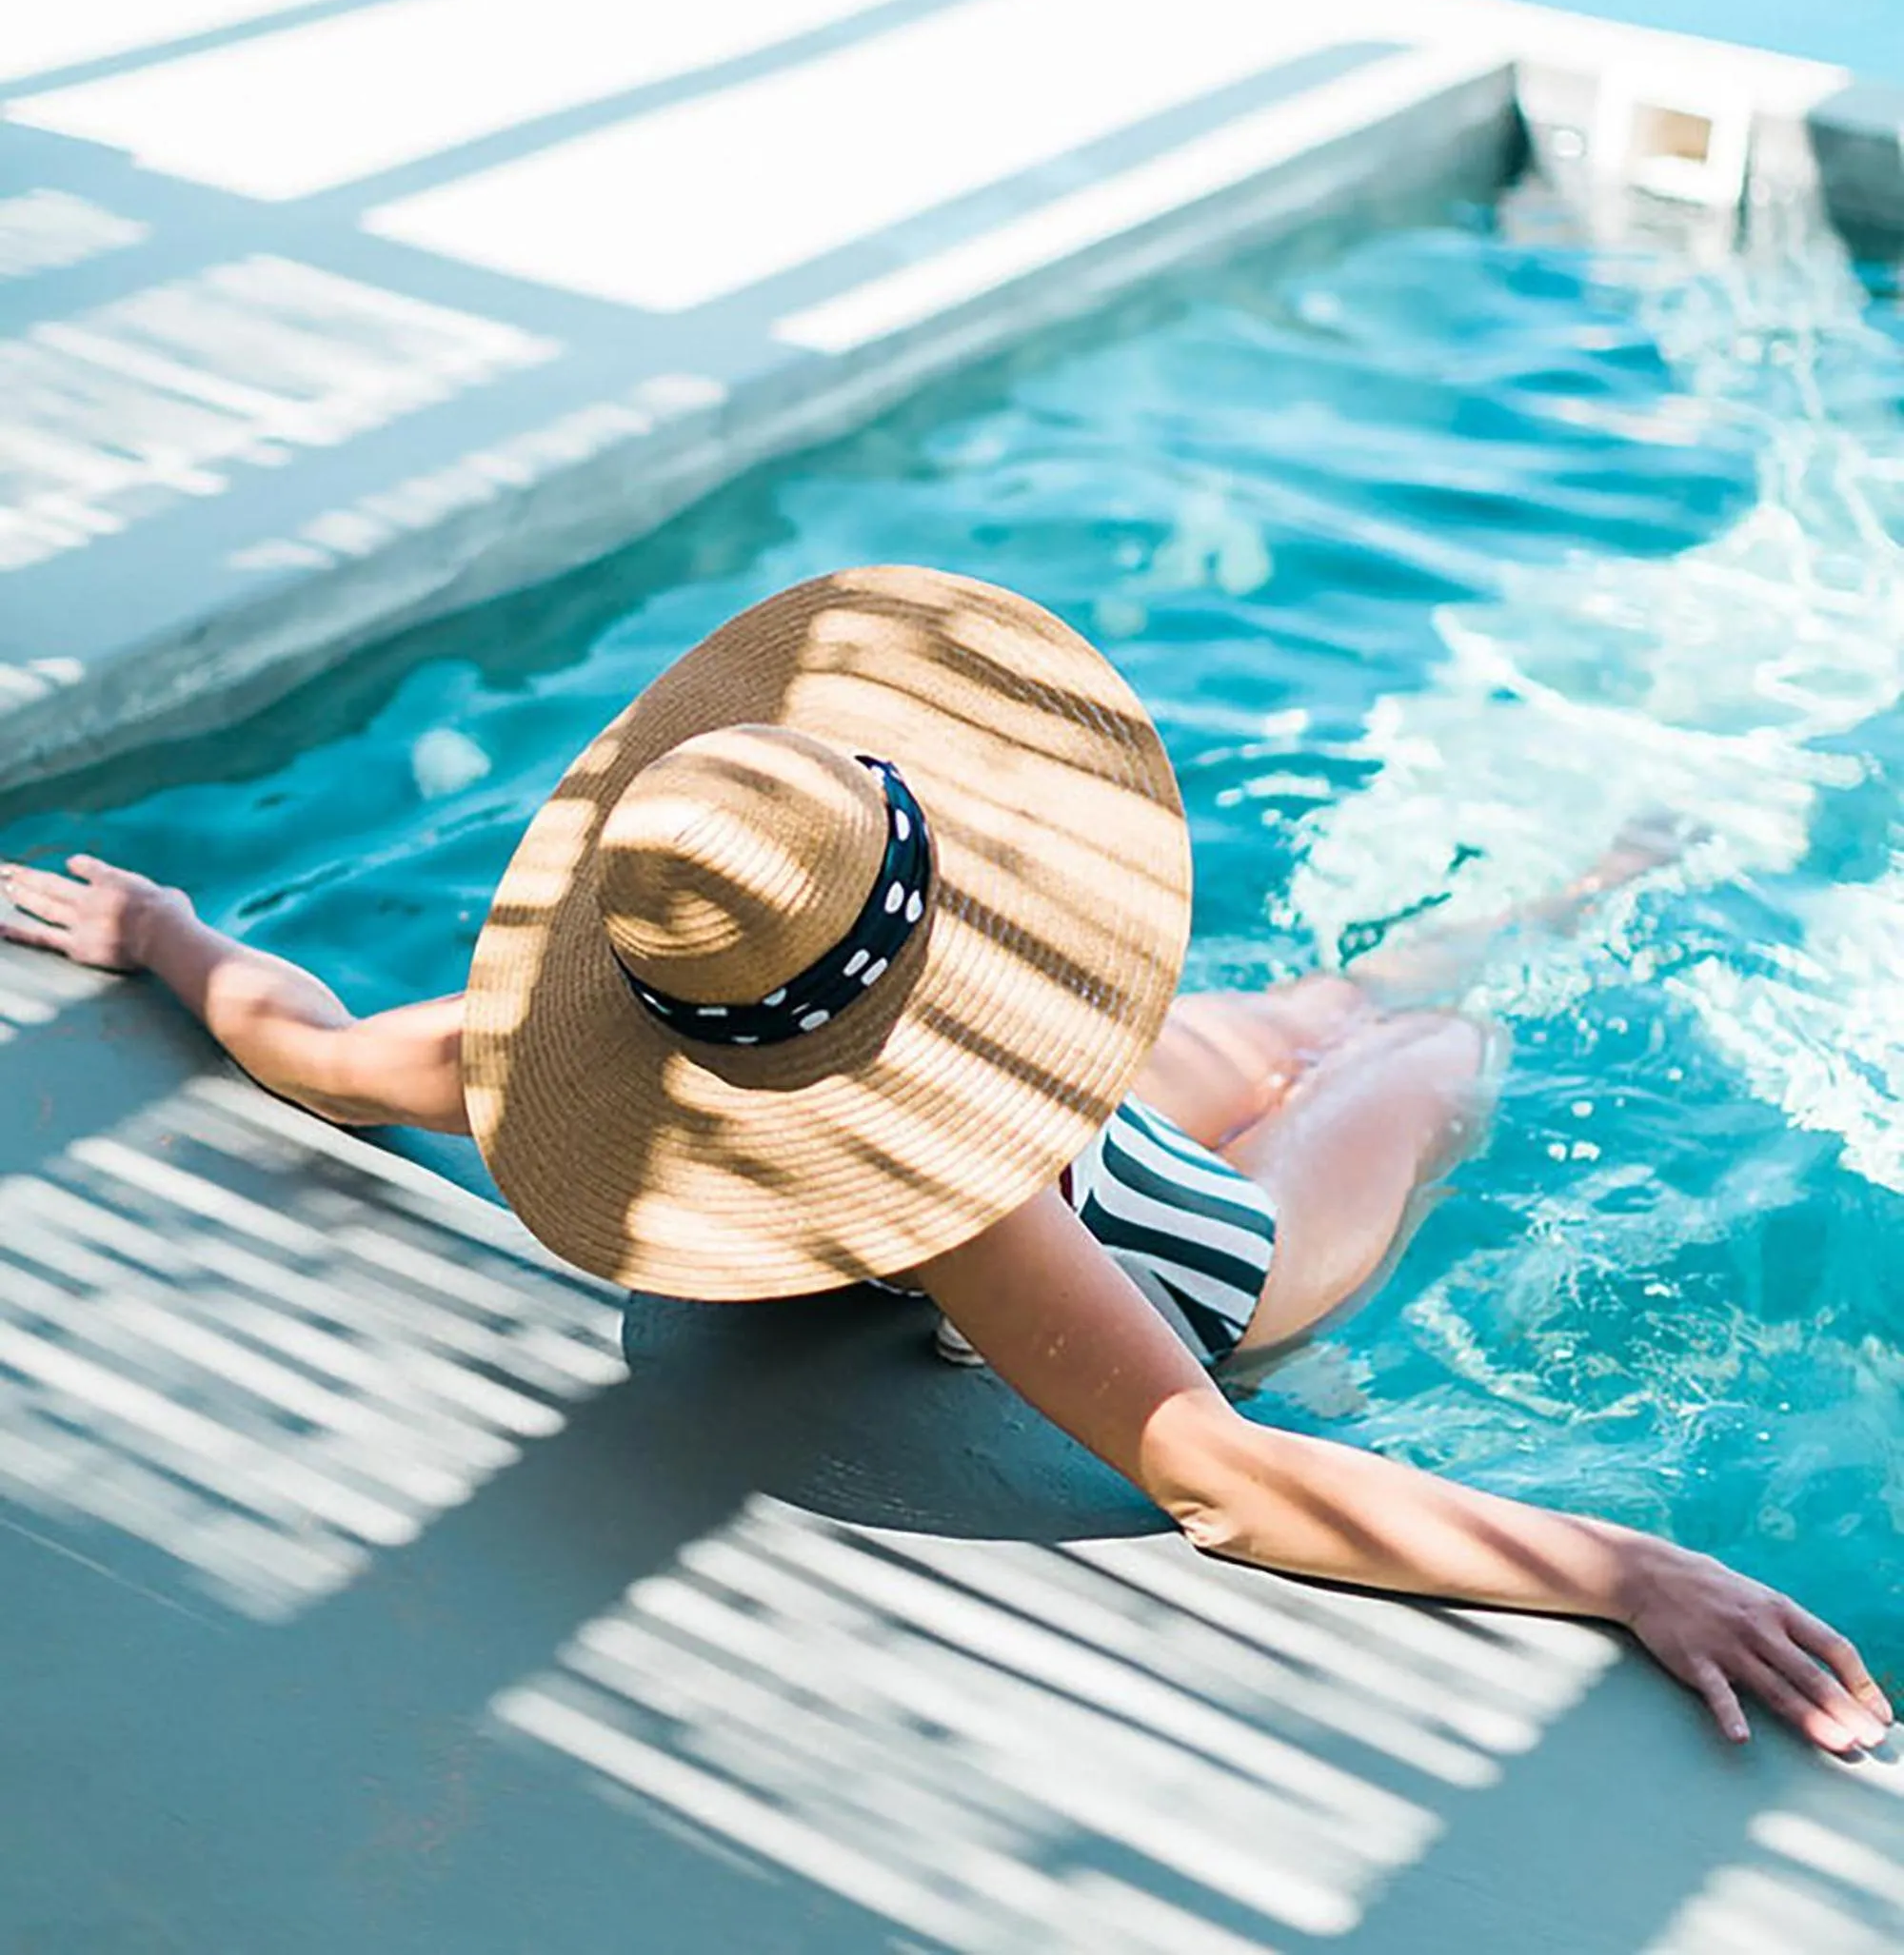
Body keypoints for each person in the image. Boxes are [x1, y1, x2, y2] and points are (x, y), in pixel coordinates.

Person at [1, 564, 1889, 1756]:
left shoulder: (556, 1057)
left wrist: (169, 933)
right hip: (1205, 1246)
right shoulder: (947, 1188)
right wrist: (1623, 1568)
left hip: (1076, 1117)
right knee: (1428, 1053)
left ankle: (1581, 880)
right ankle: (1588, 893)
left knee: (1323, 1005)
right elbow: (1217, 1474)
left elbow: (314, 1050)